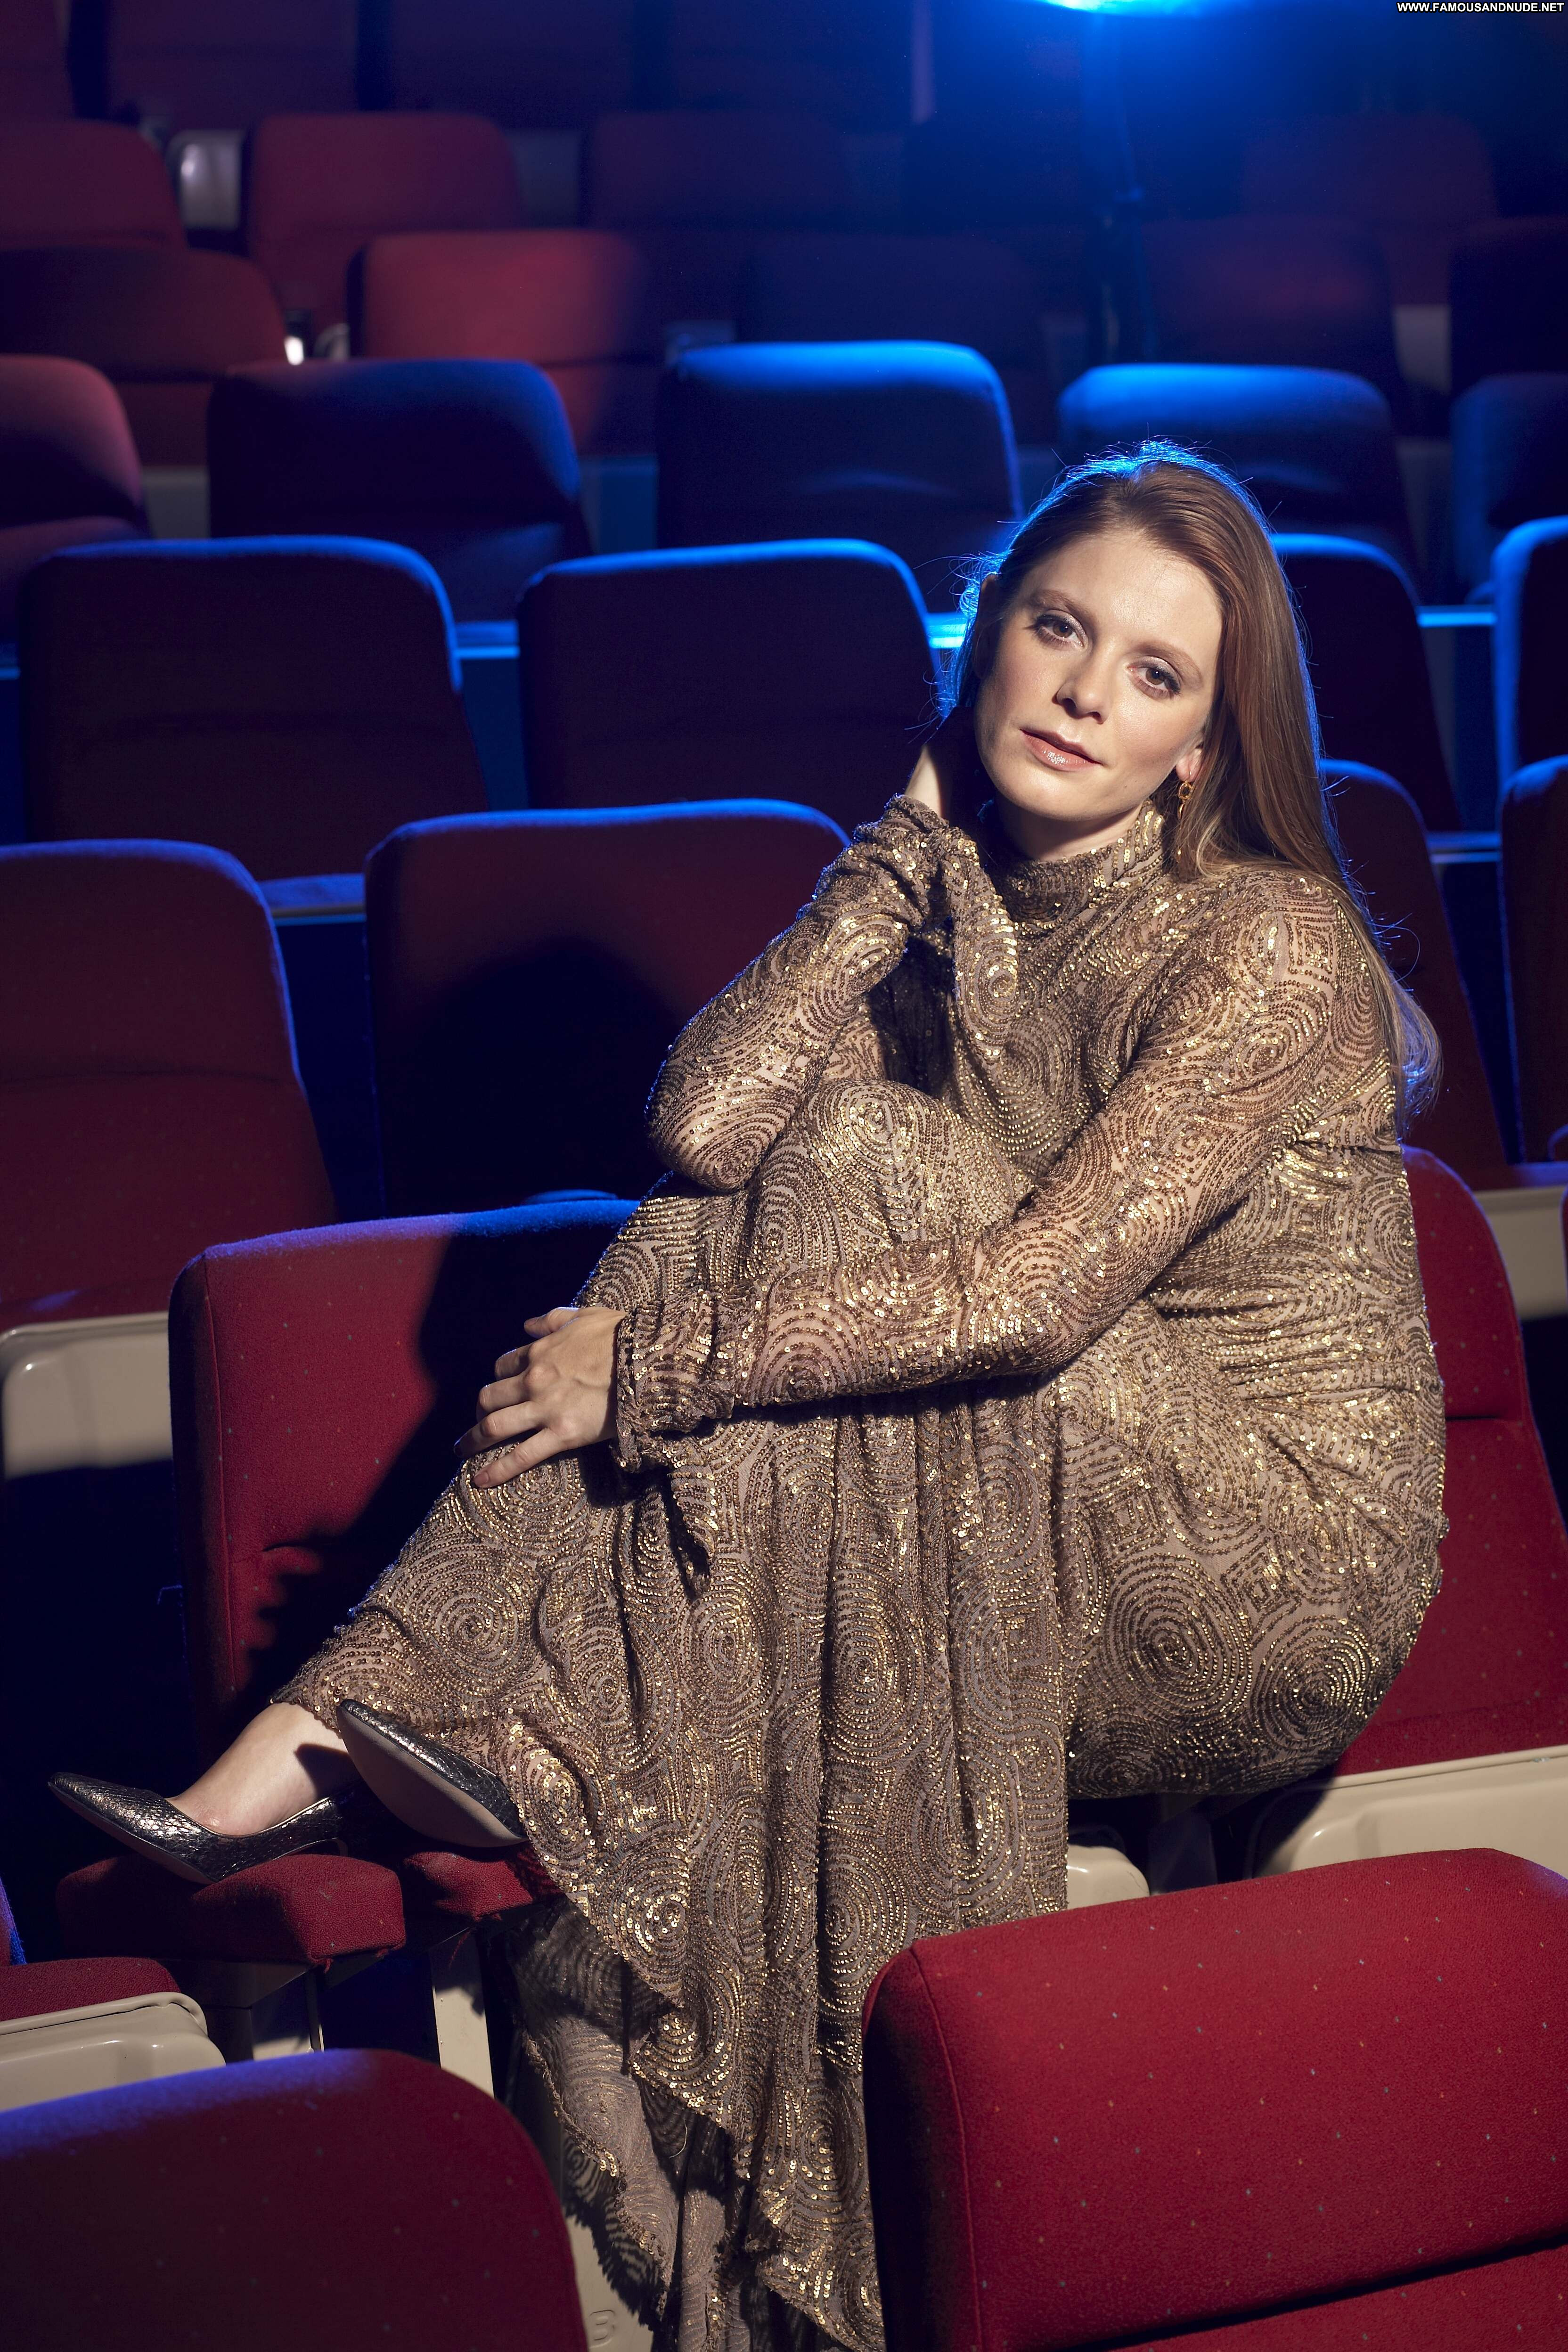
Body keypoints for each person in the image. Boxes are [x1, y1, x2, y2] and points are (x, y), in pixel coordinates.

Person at [54, 447, 1446, 2352]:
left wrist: (651, 1372)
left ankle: (377, 1726)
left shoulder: (1262, 941)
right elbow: (701, 1128)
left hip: (1261, 1559)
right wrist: (888, 859)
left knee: (869, 1161)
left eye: (1151, 674)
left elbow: (1035, 1296)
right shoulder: (949, 900)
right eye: (1055, 629)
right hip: (1019, 1490)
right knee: (747, 1200)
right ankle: (354, 1733)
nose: (1079, 694)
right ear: (984, 641)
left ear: (1202, 745)